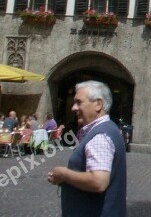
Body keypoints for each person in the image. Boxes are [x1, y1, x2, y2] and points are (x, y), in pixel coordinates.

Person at [47, 80, 127, 216]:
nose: (73, 108)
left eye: (79, 102)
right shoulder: (107, 129)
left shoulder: (100, 136)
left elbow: (98, 181)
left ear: (98, 104)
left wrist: (64, 174)